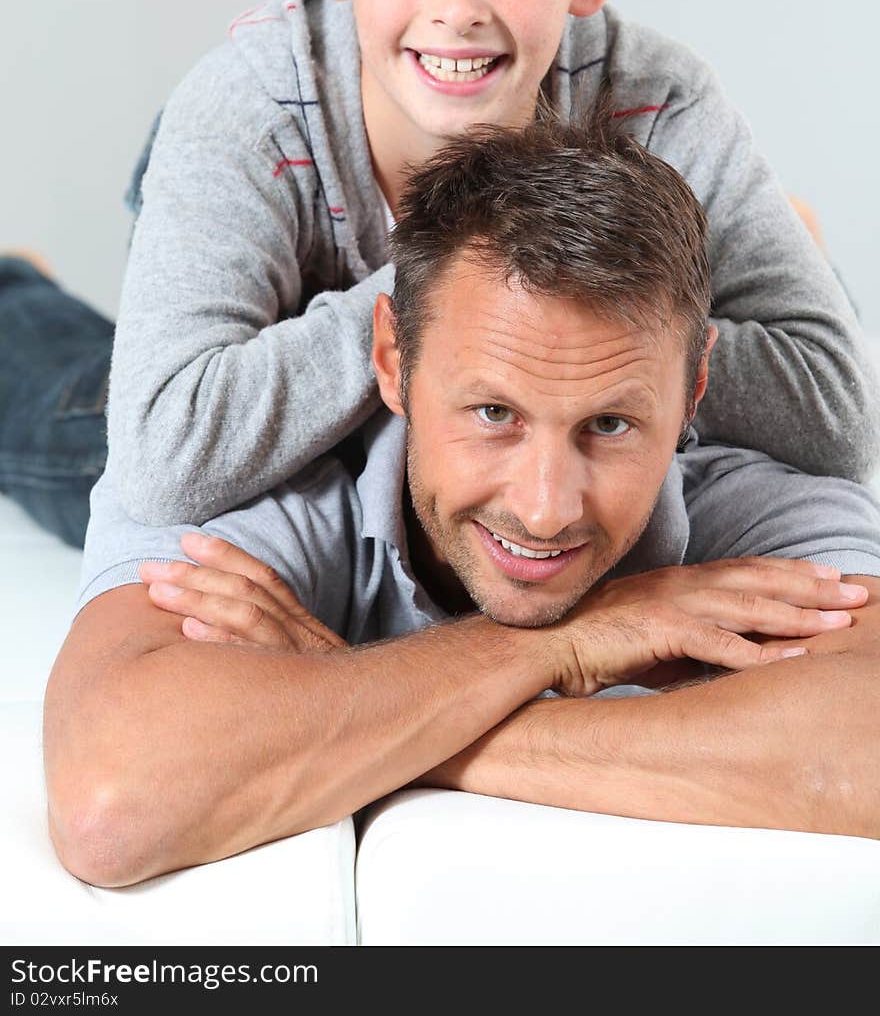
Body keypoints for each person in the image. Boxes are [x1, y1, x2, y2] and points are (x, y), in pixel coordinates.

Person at [1, 0, 878, 549]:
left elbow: (841, 422)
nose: (456, 8)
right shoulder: (245, 116)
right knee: (95, 439)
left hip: (464, 401)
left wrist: (580, 344)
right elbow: (161, 461)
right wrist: (466, 306)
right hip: (294, 301)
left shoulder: (658, 102)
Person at [45, 116, 880, 888]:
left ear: (695, 388)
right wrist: (566, 645)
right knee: (58, 404)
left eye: (611, 423)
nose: (548, 509)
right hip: (122, 409)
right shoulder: (243, 478)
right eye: (494, 414)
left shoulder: (755, 495)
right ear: (390, 361)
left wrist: (372, 707)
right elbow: (110, 806)